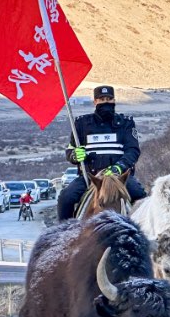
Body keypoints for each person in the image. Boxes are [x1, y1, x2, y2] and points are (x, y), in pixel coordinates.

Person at [56, 85, 147, 220]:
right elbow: (70, 150)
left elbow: (132, 150)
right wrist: (75, 155)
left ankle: (144, 236)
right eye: (102, 99)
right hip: (90, 178)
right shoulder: (81, 124)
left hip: (118, 178)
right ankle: (63, 235)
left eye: (109, 99)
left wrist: (119, 167)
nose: (106, 102)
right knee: (65, 198)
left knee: (142, 197)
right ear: (95, 102)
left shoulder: (126, 123)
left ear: (114, 100)